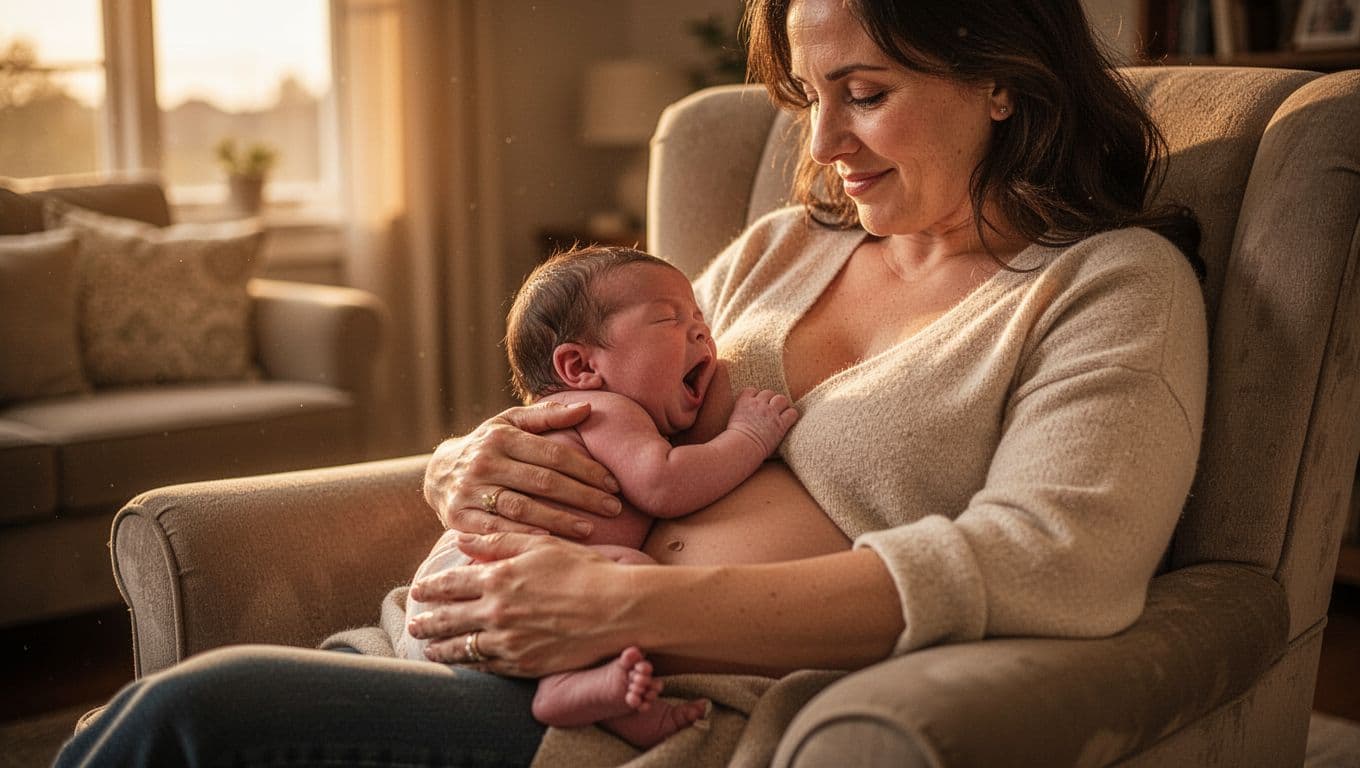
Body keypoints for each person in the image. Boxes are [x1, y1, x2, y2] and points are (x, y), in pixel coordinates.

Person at [55, 0, 1206, 765]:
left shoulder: (1104, 286)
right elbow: (612, 396)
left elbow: (1054, 560)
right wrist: (475, 458)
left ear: (1000, 80)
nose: (823, 151)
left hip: (644, 702)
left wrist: (623, 609)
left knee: (194, 718)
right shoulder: (779, 250)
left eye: (865, 93)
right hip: (487, 641)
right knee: (144, 724)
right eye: (811, 102)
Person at [398, 245, 800, 748]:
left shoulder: (583, 414)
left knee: (609, 580)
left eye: (698, 316)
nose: (702, 330)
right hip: (483, 588)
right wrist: (749, 438)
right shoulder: (603, 409)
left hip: (441, 607)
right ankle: (567, 689)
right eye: (668, 319)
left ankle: (573, 690)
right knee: (631, 577)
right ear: (580, 366)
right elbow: (664, 485)